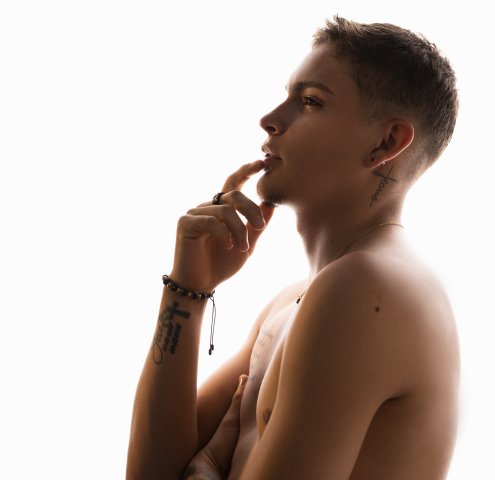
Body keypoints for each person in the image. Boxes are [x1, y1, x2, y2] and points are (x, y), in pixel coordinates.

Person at [126, 15, 460, 480]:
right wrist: (187, 289)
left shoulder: (367, 288)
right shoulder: (292, 301)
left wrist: (206, 467)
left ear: (385, 143)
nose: (269, 120)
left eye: (310, 101)